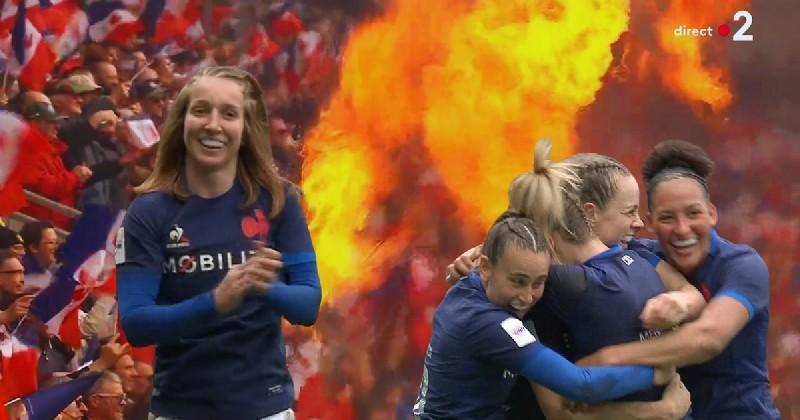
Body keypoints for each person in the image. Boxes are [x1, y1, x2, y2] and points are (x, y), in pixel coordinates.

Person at [116, 66, 321, 420]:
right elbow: (136, 324)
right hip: (180, 411)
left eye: (229, 114)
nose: (213, 125)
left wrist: (263, 287)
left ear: (245, 130)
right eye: (200, 111)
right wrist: (217, 301)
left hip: (264, 409)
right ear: (181, 124)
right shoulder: (148, 212)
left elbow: (307, 304)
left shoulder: (278, 201)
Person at [447, 145, 698, 419]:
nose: (639, 222)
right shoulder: (642, 263)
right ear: (587, 215)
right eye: (629, 212)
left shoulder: (565, 285)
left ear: (546, 236)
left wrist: (484, 266)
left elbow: (563, 414)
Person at [576, 140, 781, 419]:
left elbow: (708, 337)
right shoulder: (640, 256)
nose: (682, 229)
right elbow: (581, 243)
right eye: (667, 217)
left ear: (711, 213)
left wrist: (607, 359)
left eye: (693, 213)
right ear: (649, 222)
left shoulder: (742, 266)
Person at [413, 213, 674, 420]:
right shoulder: (487, 322)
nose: (527, 297)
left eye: (539, 282)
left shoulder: (470, 286)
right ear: (485, 267)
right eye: (518, 281)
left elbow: (510, 236)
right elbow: (580, 385)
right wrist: (654, 374)